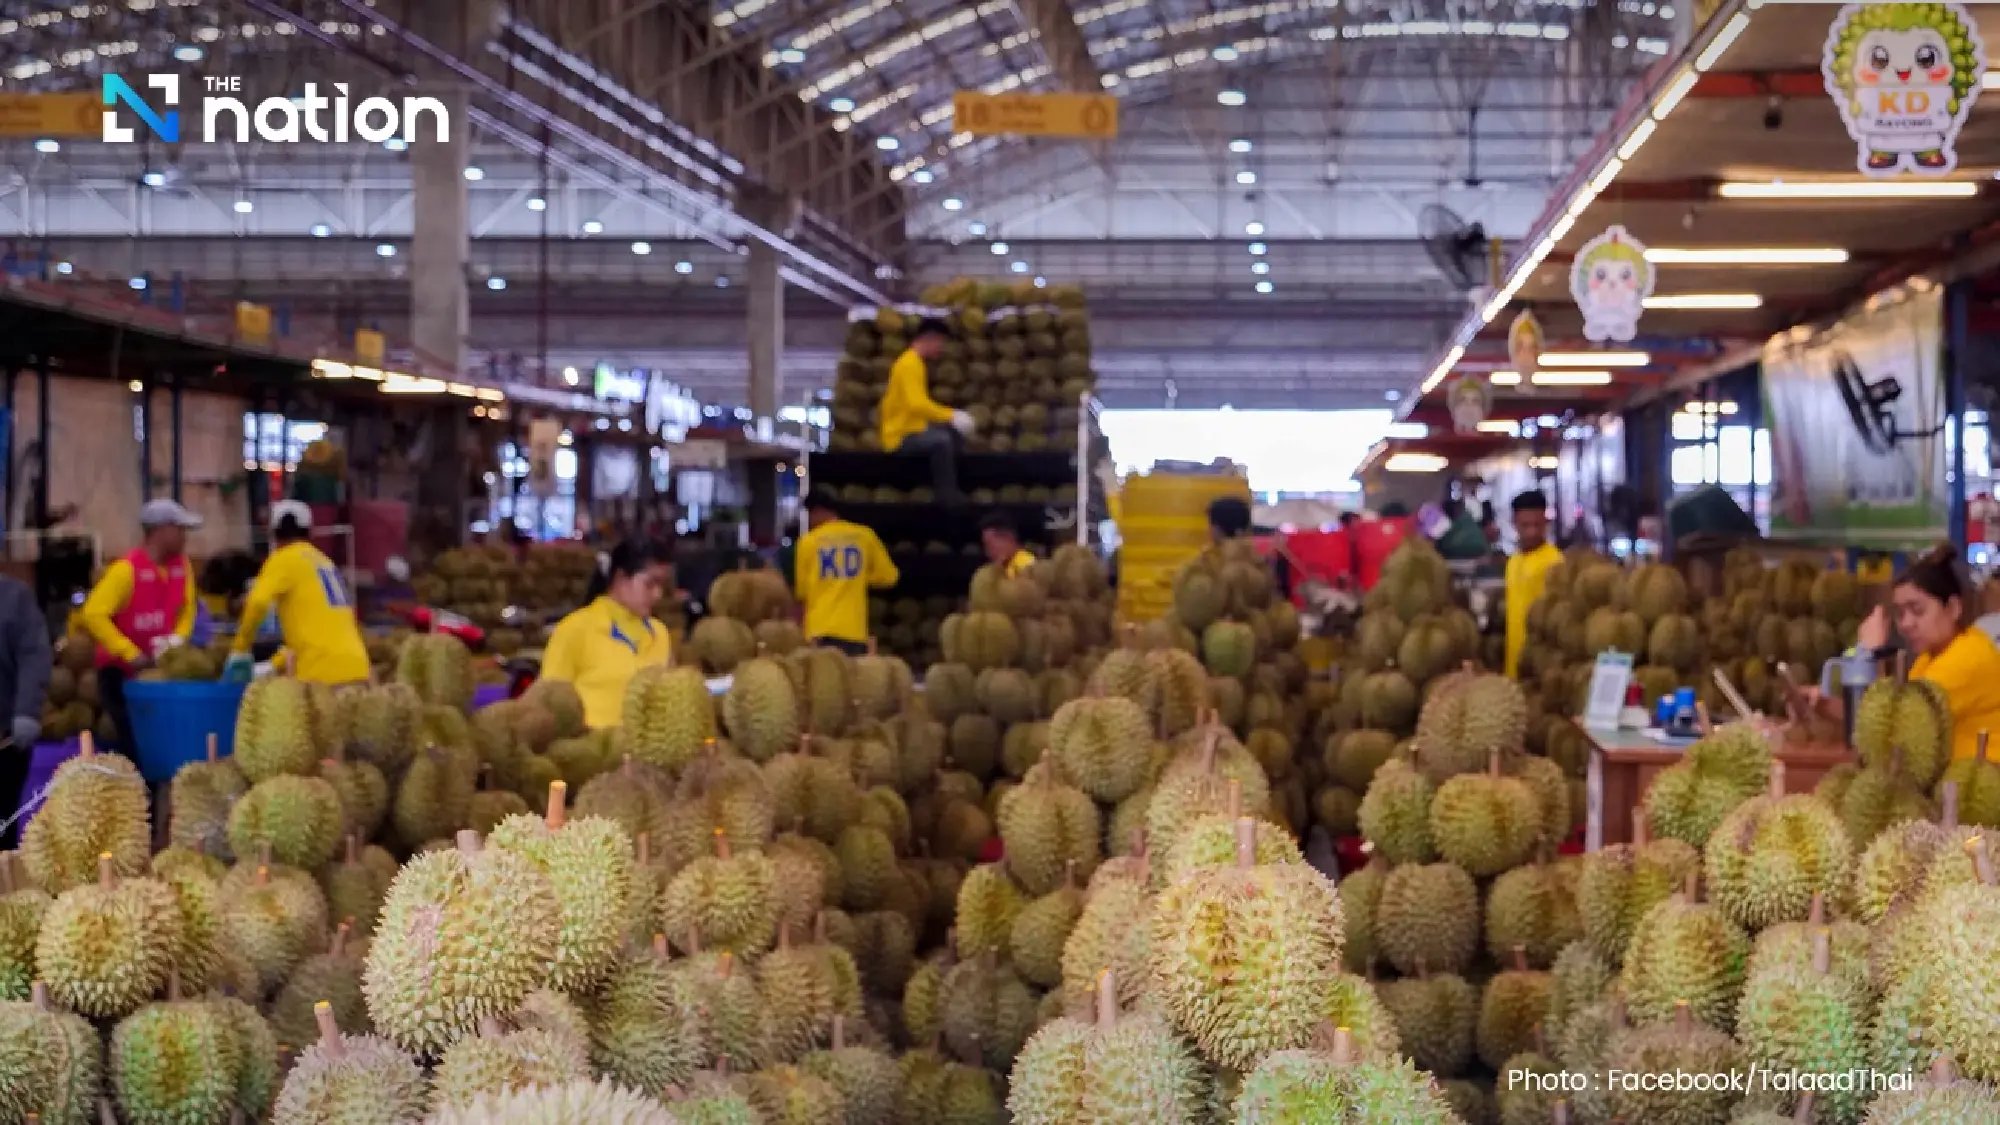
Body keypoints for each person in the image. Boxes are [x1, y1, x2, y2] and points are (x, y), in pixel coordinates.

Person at [1823, 545, 2000, 761]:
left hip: (1982, 786)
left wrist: (1869, 655)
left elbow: (1898, 732)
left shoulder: (1967, 659)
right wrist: (1827, 706)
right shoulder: (1929, 657)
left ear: (1953, 608)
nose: (1906, 624)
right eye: (1900, 613)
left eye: (1917, 610)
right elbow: (1884, 722)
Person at [77, 499, 203, 746]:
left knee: (159, 741)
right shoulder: (126, 570)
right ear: (160, 531)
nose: (185, 537)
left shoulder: (183, 566)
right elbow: (92, 613)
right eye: (180, 529)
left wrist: (179, 638)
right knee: (133, 743)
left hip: (159, 670)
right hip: (119, 673)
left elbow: (188, 607)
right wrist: (129, 653)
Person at [224, 502, 371, 685]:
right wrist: (273, 665)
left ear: (273, 534)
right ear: (310, 532)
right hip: (358, 667)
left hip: (321, 673)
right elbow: (314, 633)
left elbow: (258, 602)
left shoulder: (283, 559)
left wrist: (240, 649)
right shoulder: (325, 563)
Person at [538, 539, 675, 729]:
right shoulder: (574, 630)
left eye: (662, 585)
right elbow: (548, 702)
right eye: (650, 584)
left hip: (647, 755)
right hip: (591, 754)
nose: (658, 594)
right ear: (620, 579)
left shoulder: (660, 633)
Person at [879, 318, 974, 505]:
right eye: (941, 342)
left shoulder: (916, 363)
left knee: (950, 434)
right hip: (900, 437)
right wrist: (951, 415)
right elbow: (917, 404)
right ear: (930, 338)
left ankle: (958, 485)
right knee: (942, 441)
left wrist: (949, 419)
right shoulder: (909, 364)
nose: (942, 348)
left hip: (912, 428)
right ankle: (946, 496)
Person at [794, 490, 899, 655]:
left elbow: (802, 593)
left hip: (819, 630)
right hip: (853, 630)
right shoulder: (865, 535)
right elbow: (890, 577)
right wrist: (861, 577)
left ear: (818, 511)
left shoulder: (808, 542)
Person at [0, 571, 48, 846]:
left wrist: (27, 710)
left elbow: (34, 655)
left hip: (5, 741)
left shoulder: (14, 598)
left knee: (2, 825)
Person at [1503, 489, 1562, 678]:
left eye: (1538, 525)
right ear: (1514, 524)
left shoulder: (1555, 562)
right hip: (1513, 661)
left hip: (1539, 665)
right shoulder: (1513, 561)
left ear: (1546, 522)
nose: (1532, 531)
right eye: (1525, 525)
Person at [979, 512, 1036, 577]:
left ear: (1008, 537)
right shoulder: (1006, 565)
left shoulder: (1025, 564)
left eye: (990, 545)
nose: (987, 553)